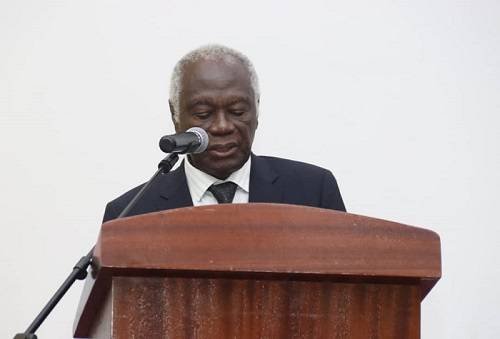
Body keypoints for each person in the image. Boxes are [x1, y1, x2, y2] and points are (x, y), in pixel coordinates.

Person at [103, 44, 345, 222]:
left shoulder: (313, 192)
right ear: (175, 114)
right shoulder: (131, 214)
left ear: (256, 108)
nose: (222, 126)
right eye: (203, 113)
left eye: (237, 111)